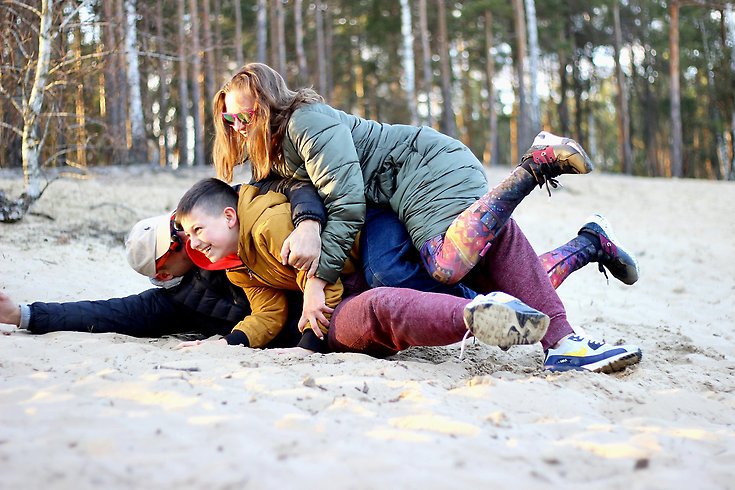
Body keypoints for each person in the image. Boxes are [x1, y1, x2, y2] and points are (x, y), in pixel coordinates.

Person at [209, 62, 641, 372]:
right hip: (393, 197)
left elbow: (346, 202)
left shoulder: (307, 122)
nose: (238, 127)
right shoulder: (277, 154)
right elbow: (302, 190)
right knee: (475, 280)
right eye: (230, 120)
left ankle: (534, 166)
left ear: (268, 105)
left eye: (245, 115)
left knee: (446, 264)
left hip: (423, 167)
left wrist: (317, 281)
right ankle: (588, 244)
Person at [175, 177, 641, 373]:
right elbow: (269, 311)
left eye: (196, 231)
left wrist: (309, 333)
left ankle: (543, 328)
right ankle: (583, 247)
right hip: (347, 305)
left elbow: (323, 272)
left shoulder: (273, 221)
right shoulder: (235, 263)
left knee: (484, 250)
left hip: (367, 270)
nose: (191, 246)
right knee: (396, 303)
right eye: (184, 240)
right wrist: (235, 341)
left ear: (229, 216)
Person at [0, 177, 326, 345]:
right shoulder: (170, 304)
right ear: (164, 271)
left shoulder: (224, 223)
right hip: (312, 329)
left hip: (328, 277)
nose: (188, 237)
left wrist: (308, 223)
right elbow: (105, 313)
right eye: (176, 239)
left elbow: (295, 186)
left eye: (179, 225)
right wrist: (23, 315)